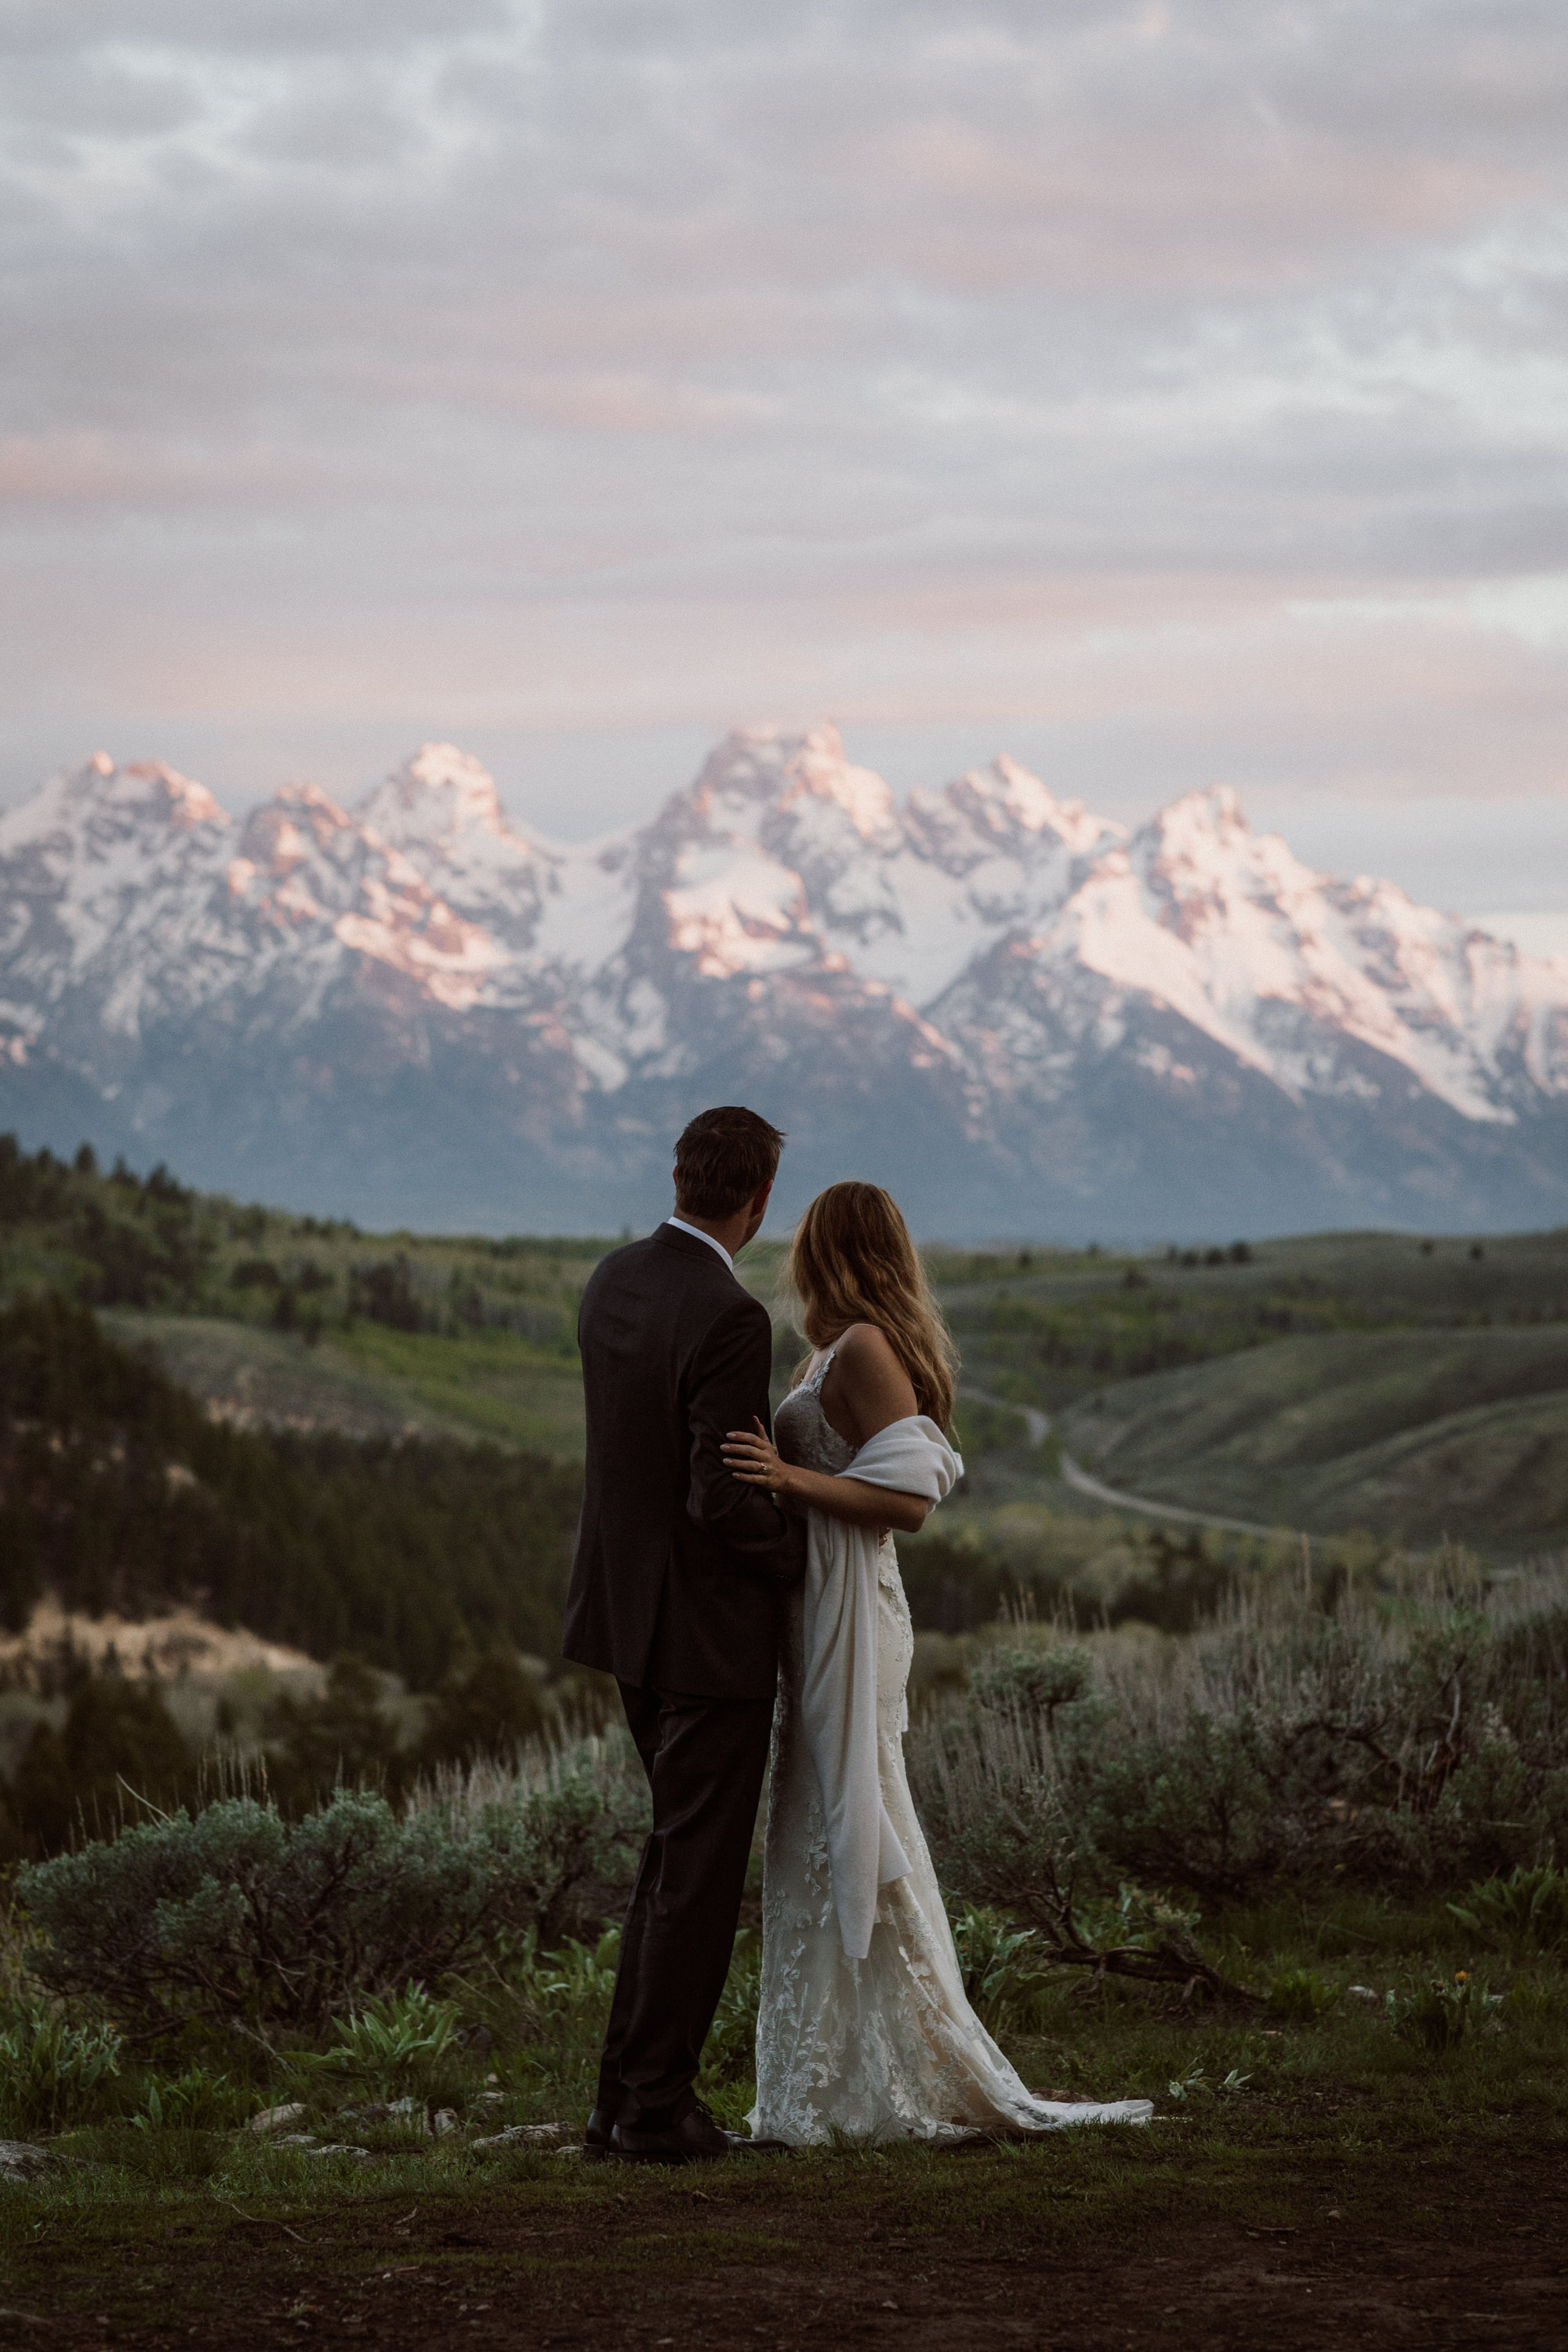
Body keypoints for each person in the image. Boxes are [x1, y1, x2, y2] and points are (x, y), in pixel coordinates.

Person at [722, 1181, 1152, 2143]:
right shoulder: (835, 1346)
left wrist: (784, 1476)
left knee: (854, 1819)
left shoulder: (867, 1347)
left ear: (829, 1248)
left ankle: (880, 2074)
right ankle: (824, 2077)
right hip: (818, 1611)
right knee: (820, 1824)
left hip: (853, 1615)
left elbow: (912, 1499)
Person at [562, 1104, 804, 2165]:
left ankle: (623, 2102)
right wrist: (807, 1557)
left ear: (677, 1177)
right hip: (707, 1640)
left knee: (669, 1862)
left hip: (626, 1620)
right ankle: (655, 2108)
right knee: (694, 1877)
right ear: (759, 1202)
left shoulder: (614, 1279)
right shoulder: (731, 1315)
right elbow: (720, 1496)